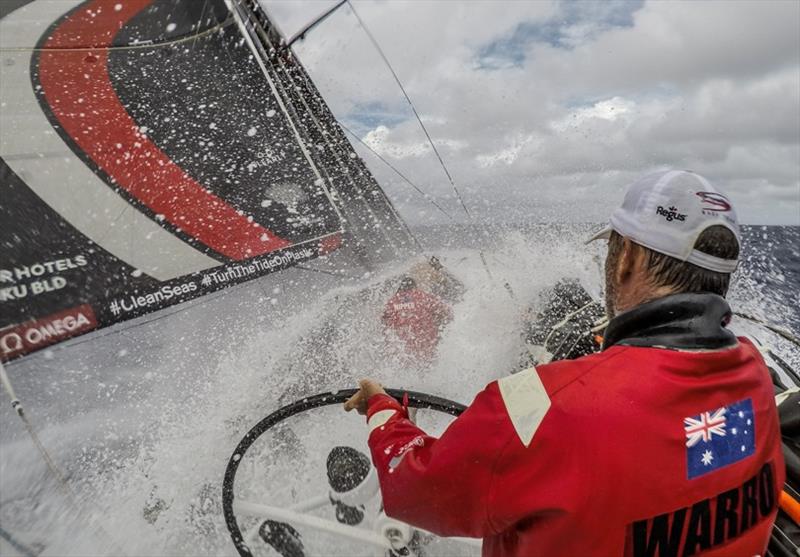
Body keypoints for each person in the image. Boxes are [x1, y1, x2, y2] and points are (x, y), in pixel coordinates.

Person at [345, 169, 785, 557]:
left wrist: (383, 410)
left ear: (627, 256)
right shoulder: (755, 376)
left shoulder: (542, 402)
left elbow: (418, 491)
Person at [382, 276, 453, 362]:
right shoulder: (423, 297)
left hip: (403, 351)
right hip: (426, 347)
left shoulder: (392, 302)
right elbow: (447, 312)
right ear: (414, 287)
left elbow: (384, 321)